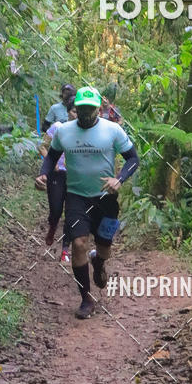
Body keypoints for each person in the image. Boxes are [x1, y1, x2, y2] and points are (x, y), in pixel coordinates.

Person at [36, 86, 139, 319]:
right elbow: (52, 155)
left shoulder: (112, 130)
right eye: (81, 108)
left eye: (90, 108)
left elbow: (133, 158)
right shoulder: (64, 131)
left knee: (104, 247)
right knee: (79, 243)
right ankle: (86, 299)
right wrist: (44, 174)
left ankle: (99, 262)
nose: (85, 113)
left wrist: (119, 179)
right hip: (76, 196)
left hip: (106, 199)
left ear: (99, 109)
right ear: (75, 108)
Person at [37, 100, 77, 263]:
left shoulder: (84, 132)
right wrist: (51, 163)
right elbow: (42, 146)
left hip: (75, 177)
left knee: (70, 213)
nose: (76, 114)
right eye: (74, 111)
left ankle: (65, 250)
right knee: (56, 209)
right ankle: (53, 226)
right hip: (57, 174)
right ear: (68, 112)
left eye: (79, 111)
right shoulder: (58, 128)